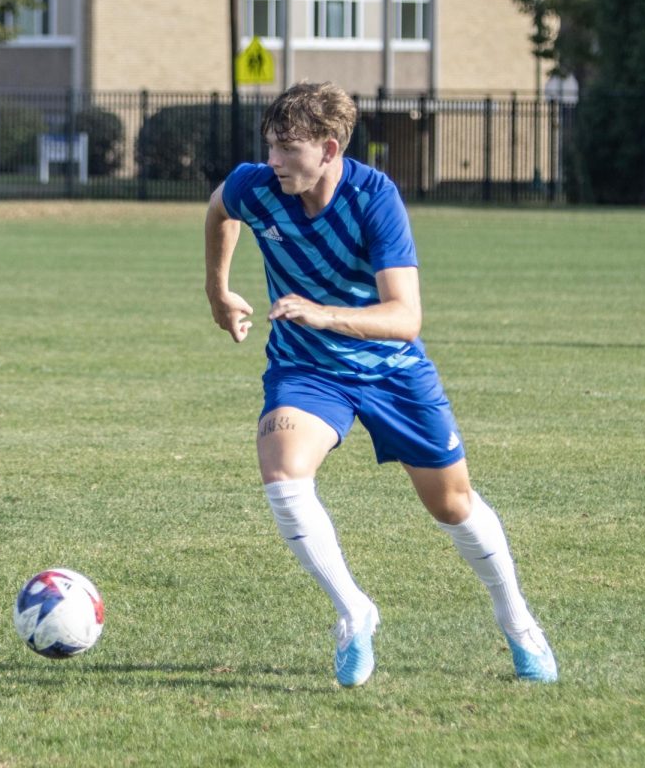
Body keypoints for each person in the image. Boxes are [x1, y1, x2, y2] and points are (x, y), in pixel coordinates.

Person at [203, 81, 557, 687]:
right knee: (283, 472)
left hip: (392, 372)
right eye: (270, 146)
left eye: (288, 148)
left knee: (452, 505)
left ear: (330, 148)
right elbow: (219, 209)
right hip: (308, 370)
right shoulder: (256, 186)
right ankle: (354, 610)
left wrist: (324, 314)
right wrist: (218, 290)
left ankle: (517, 619)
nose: (274, 161)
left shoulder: (375, 198)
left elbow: (404, 318)